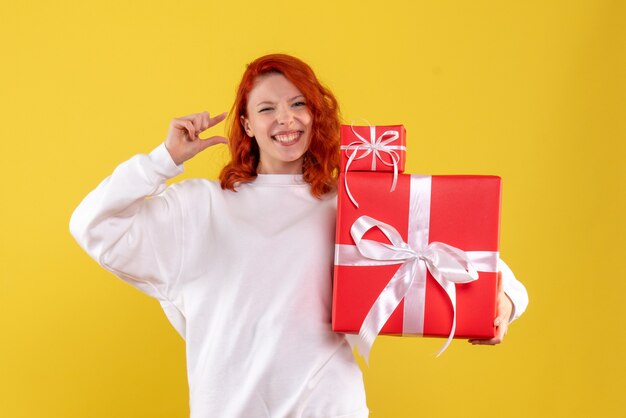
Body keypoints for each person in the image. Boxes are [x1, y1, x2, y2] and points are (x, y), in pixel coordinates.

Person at [70, 54, 528, 418]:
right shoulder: (199, 207)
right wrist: (163, 160)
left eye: (298, 104)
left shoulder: (353, 202)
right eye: (266, 108)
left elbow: (474, 262)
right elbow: (92, 225)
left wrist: (505, 303)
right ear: (247, 125)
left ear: (316, 113)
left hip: (332, 408)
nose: (285, 119)